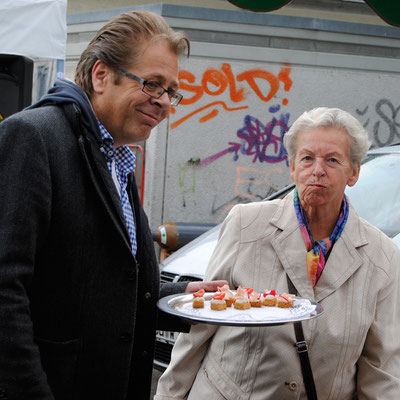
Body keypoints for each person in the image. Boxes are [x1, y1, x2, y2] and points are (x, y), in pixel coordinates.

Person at [0, 10, 226, 400]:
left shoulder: (115, 155)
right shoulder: (34, 137)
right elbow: (5, 290)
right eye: (152, 84)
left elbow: (99, 284)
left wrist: (182, 295)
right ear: (101, 75)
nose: (163, 102)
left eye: (171, 91)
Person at [155, 107, 400, 399]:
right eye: (307, 158)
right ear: (293, 167)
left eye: (333, 160)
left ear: (354, 172)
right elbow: (201, 326)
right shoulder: (246, 224)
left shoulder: (382, 255)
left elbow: (381, 368)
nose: (318, 169)